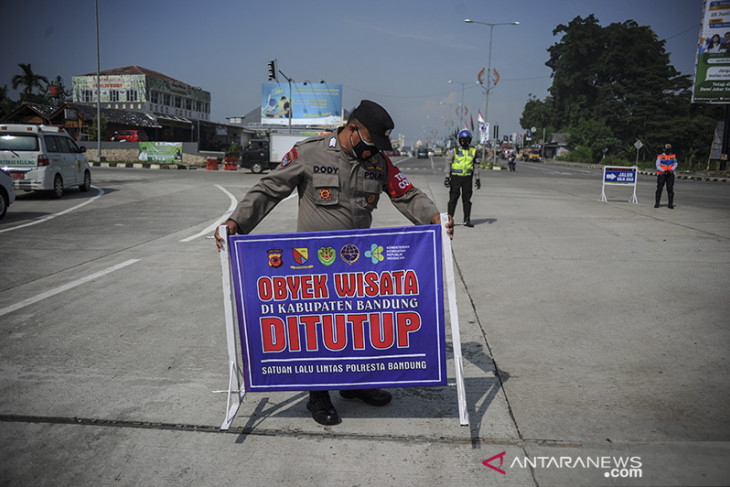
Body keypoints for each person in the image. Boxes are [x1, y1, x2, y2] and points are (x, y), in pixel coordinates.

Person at [215, 100, 453, 426]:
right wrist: (236, 224)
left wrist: (435, 217)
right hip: (314, 268)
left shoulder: (376, 161)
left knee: (357, 328)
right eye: (370, 141)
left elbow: (406, 194)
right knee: (319, 331)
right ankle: (318, 395)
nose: (373, 149)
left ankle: (356, 386)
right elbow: (269, 189)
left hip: (357, 268)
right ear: (352, 130)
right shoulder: (310, 153)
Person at [444, 129, 480, 227]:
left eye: (467, 140)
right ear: (459, 140)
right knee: (453, 198)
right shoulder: (454, 150)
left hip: (467, 178)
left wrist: (477, 179)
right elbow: (448, 163)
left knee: (467, 199)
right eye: (463, 140)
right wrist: (447, 177)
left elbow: (476, 165)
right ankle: (450, 219)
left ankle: (467, 219)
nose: (465, 142)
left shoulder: (473, 151)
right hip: (455, 177)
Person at [655, 144, 677, 209]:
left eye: (669, 149)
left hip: (670, 174)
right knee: (659, 188)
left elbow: (675, 164)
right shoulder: (660, 156)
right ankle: (657, 203)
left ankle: (670, 203)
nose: (668, 151)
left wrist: (671, 170)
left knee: (670, 189)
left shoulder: (673, 156)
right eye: (667, 149)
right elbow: (658, 165)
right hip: (662, 174)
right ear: (664, 149)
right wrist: (664, 170)